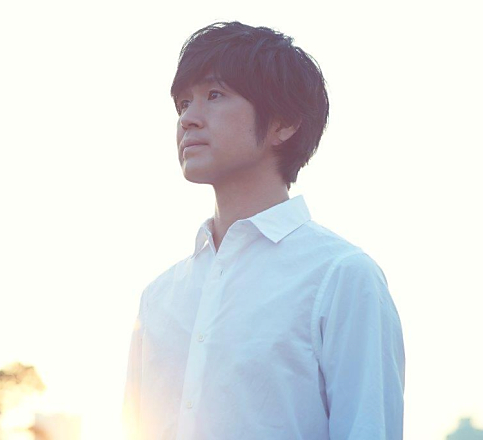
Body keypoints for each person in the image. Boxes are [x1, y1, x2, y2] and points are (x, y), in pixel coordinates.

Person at [122, 21, 405, 440]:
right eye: (183, 104)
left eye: (214, 95)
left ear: (283, 123)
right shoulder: (158, 298)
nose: (188, 120)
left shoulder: (342, 277)